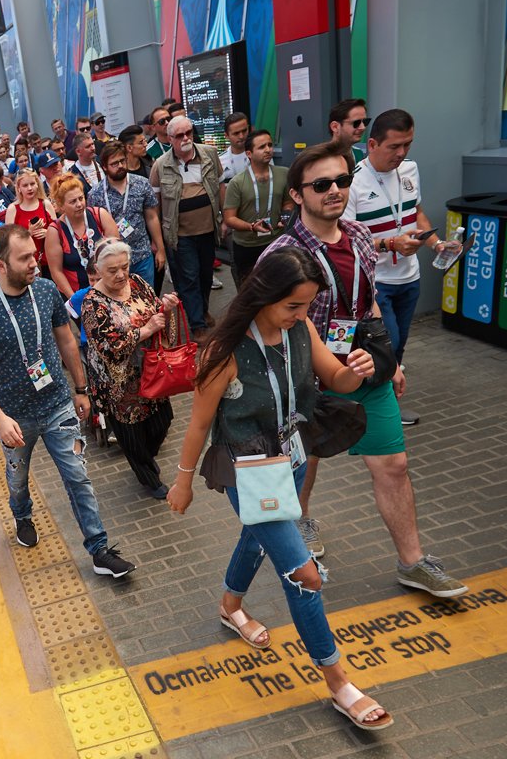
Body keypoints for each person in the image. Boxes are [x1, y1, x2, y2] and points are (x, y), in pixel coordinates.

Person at [165, 246, 392, 732]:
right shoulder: (224, 352)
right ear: (264, 296)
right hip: (247, 473)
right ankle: (339, 684)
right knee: (303, 574)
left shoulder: (301, 330)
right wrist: (182, 482)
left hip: (289, 458)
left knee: (257, 538)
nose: (301, 315)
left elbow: (336, 380)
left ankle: (230, 607)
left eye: (306, 306)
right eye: (293, 306)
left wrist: (358, 370)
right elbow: (198, 425)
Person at [262, 140, 467, 596]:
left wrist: (387, 358)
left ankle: (412, 563)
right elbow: (264, 326)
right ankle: (302, 523)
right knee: (305, 466)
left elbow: (366, 300)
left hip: (365, 369)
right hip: (306, 384)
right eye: (321, 184)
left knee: (394, 464)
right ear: (297, 194)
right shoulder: (280, 255)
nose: (334, 190)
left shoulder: (357, 237)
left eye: (342, 180)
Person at [0, 225, 136, 578]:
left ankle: (99, 549)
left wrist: (80, 388)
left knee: (78, 477)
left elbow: (67, 342)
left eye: (34, 254)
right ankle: (22, 514)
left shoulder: (45, 291)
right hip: (14, 417)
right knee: (17, 480)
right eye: (24, 257)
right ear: (1, 265)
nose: (34, 262)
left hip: (58, 405)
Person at [344, 109, 453, 427]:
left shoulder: (410, 170)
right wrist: (390, 244)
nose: (402, 153)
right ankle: (376, 409)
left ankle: (386, 401)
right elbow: (348, 241)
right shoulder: (353, 182)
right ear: (372, 144)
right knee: (384, 344)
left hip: (410, 277)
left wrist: (436, 244)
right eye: (394, 146)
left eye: (408, 144)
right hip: (375, 282)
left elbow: (415, 213)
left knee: (399, 344)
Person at [83, 238, 179, 499]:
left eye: (124, 267)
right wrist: (144, 330)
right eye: (113, 270)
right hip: (119, 384)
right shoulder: (93, 303)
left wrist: (166, 310)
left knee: (162, 420)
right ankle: (148, 477)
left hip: (151, 370)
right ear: (98, 270)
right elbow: (107, 348)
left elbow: (156, 311)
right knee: (133, 437)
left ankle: (147, 459)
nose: (121, 274)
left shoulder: (137, 282)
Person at [152, 115, 225, 341]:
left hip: (207, 230)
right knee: (189, 277)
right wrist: (158, 238)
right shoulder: (161, 165)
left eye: (189, 133)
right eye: (180, 135)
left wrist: (223, 218)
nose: (186, 138)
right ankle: (197, 324)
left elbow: (221, 186)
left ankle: (201, 310)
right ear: (170, 138)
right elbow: (156, 204)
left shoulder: (209, 155)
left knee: (205, 275)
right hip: (180, 235)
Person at [223, 128, 292, 285]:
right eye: (261, 147)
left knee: (277, 288)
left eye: (269, 145)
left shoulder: (283, 174)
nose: (268, 150)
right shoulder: (237, 182)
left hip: (276, 242)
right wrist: (252, 226)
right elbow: (229, 218)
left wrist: (285, 216)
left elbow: (288, 202)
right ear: (249, 153)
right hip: (247, 246)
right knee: (249, 291)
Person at [92, 142, 165, 289]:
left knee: (145, 300)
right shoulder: (96, 194)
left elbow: (152, 217)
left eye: (122, 161)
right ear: (104, 167)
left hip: (141, 255)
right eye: (114, 163)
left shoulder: (142, 184)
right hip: (113, 261)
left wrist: (160, 249)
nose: (120, 165)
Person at [47, 173, 120, 298]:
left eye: (81, 198)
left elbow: (117, 253)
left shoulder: (99, 215)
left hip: (109, 290)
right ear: (61, 205)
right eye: (73, 201)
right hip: (77, 293)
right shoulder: (55, 231)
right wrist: (74, 299)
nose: (79, 204)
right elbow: (56, 271)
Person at [5, 169, 60, 281]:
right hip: (25, 264)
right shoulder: (13, 209)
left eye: (32, 184)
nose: (29, 188)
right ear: (19, 188)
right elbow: (8, 241)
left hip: (49, 262)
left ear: (37, 185)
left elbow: (59, 231)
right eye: (25, 185)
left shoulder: (46, 204)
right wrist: (28, 233)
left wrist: (49, 233)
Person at [328, 98, 369, 167]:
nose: (363, 127)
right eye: (356, 123)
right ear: (335, 127)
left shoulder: (358, 153)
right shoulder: (321, 158)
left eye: (365, 122)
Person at [218, 112, 252, 187]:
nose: (241, 136)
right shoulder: (219, 161)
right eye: (236, 133)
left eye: (244, 131)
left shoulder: (259, 153)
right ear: (226, 135)